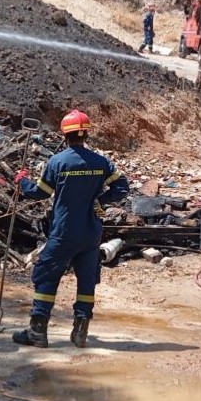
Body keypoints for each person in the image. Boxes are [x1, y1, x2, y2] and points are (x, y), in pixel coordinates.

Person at [12, 109, 129, 349]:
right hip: (90, 233)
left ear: (65, 135)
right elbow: (122, 187)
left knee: (46, 275)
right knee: (86, 282)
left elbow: (40, 192)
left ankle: (38, 331)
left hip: (64, 231)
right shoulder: (101, 162)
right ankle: (80, 333)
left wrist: (22, 180)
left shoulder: (58, 162)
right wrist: (99, 201)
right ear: (86, 133)